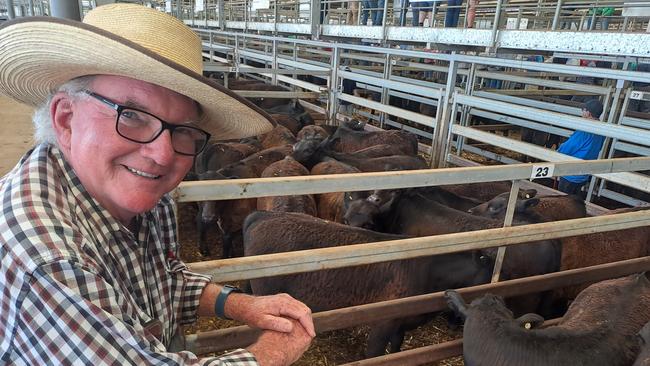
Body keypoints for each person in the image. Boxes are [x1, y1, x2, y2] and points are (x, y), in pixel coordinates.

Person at [0, 4, 315, 365]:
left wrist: (243, 303)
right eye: (131, 115)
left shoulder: (144, 198)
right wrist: (272, 353)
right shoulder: (44, 257)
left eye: (182, 129)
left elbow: (159, 281)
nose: (162, 154)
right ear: (66, 118)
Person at [556, 99, 606, 195]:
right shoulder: (602, 129)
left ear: (588, 113)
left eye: (583, 110)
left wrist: (557, 152)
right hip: (584, 174)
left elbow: (567, 148)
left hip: (570, 174)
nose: (582, 112)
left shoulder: (584, 130)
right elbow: (598, 148)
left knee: (563, 200)